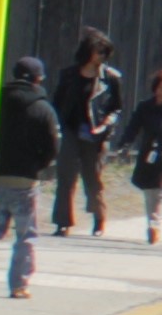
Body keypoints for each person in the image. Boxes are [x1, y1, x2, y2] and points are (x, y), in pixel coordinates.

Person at [0, 54, 61, 302]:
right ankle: (19, 285)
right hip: (26, 179)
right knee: (25, 234)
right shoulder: (43, 109)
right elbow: (52, 147)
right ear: (38, 79)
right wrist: (38, 166)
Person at [51, 30, 120, 235]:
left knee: (92, 179)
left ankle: (99, 219)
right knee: (65, 177)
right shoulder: (69, 75)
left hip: (94, 133)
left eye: (104, 53)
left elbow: (116, 108)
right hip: (71, 130)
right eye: (98, 52)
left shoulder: (111, 78)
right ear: (87, 52)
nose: (101, 57)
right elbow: (57, 102)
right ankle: (63, 222)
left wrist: (105, 125)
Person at [118, 63, 162, 245]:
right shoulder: (145, 107)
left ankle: (155, 224)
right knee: (150, 192)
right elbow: (133, 127)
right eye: (160, 88)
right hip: (149, 154)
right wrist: (125, 144)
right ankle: (152, 222)